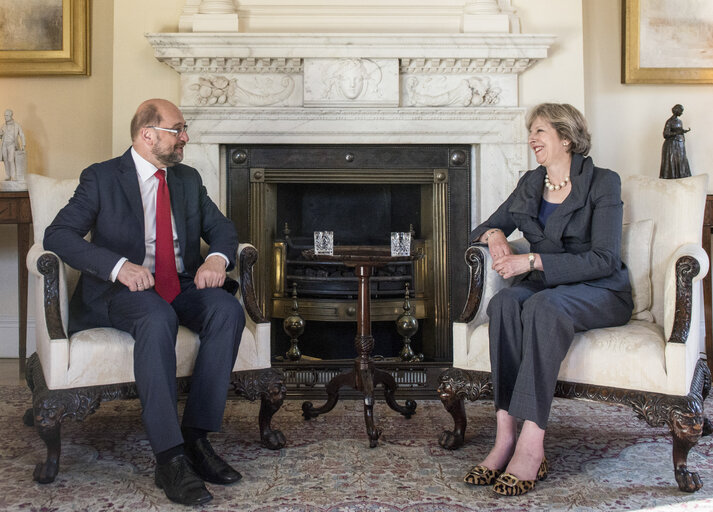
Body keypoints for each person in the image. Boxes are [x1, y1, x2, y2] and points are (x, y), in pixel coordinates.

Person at [44, 99, 246, 506]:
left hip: (179, 283)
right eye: (178, 129)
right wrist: (118, 266)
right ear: (147, 135)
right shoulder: (101, 178)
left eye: (184, 129)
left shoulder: (187, 179)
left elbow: (221, 227)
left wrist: (216, 258)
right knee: (157, 318)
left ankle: (195, 439)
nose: (185, 137)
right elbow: (58, 236)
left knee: (227, 310)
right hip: (120, 292)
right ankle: (169, 458)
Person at [463, 103, 633, 496]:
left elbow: (604, 258)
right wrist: (495, 236)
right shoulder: (530, 183)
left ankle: (532, 443)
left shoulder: (603, 182)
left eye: (540, 131)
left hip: (601, 289)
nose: (531, 139)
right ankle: (505, 434)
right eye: (530, 132)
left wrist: (533, 259)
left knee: (541, 305)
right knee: (503, 304)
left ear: (567, 138)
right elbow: (483, 226)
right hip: (548, 286)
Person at [659, 104, 691, 179]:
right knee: (672, 164)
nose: (682, 113)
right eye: (681, 111)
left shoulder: (680, 121)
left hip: (680, 145)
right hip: (671, 146)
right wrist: (677, 133)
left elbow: (680, 131)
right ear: (676, 110)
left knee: (681, 164)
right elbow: (665, 134)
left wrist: (683, 131)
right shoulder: (669, 121)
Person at [0, 109, 26, 181]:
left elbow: (21, 134)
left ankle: (13, 176)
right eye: (4, 115)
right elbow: (0, 136)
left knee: (11, 160)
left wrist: (23, 145)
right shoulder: (3, 125)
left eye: (7, 115)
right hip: (4, 145)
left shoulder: (16, 125)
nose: (5, 117)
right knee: (5, 160)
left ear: (11, 116)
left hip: (12, 144)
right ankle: (8, 176)